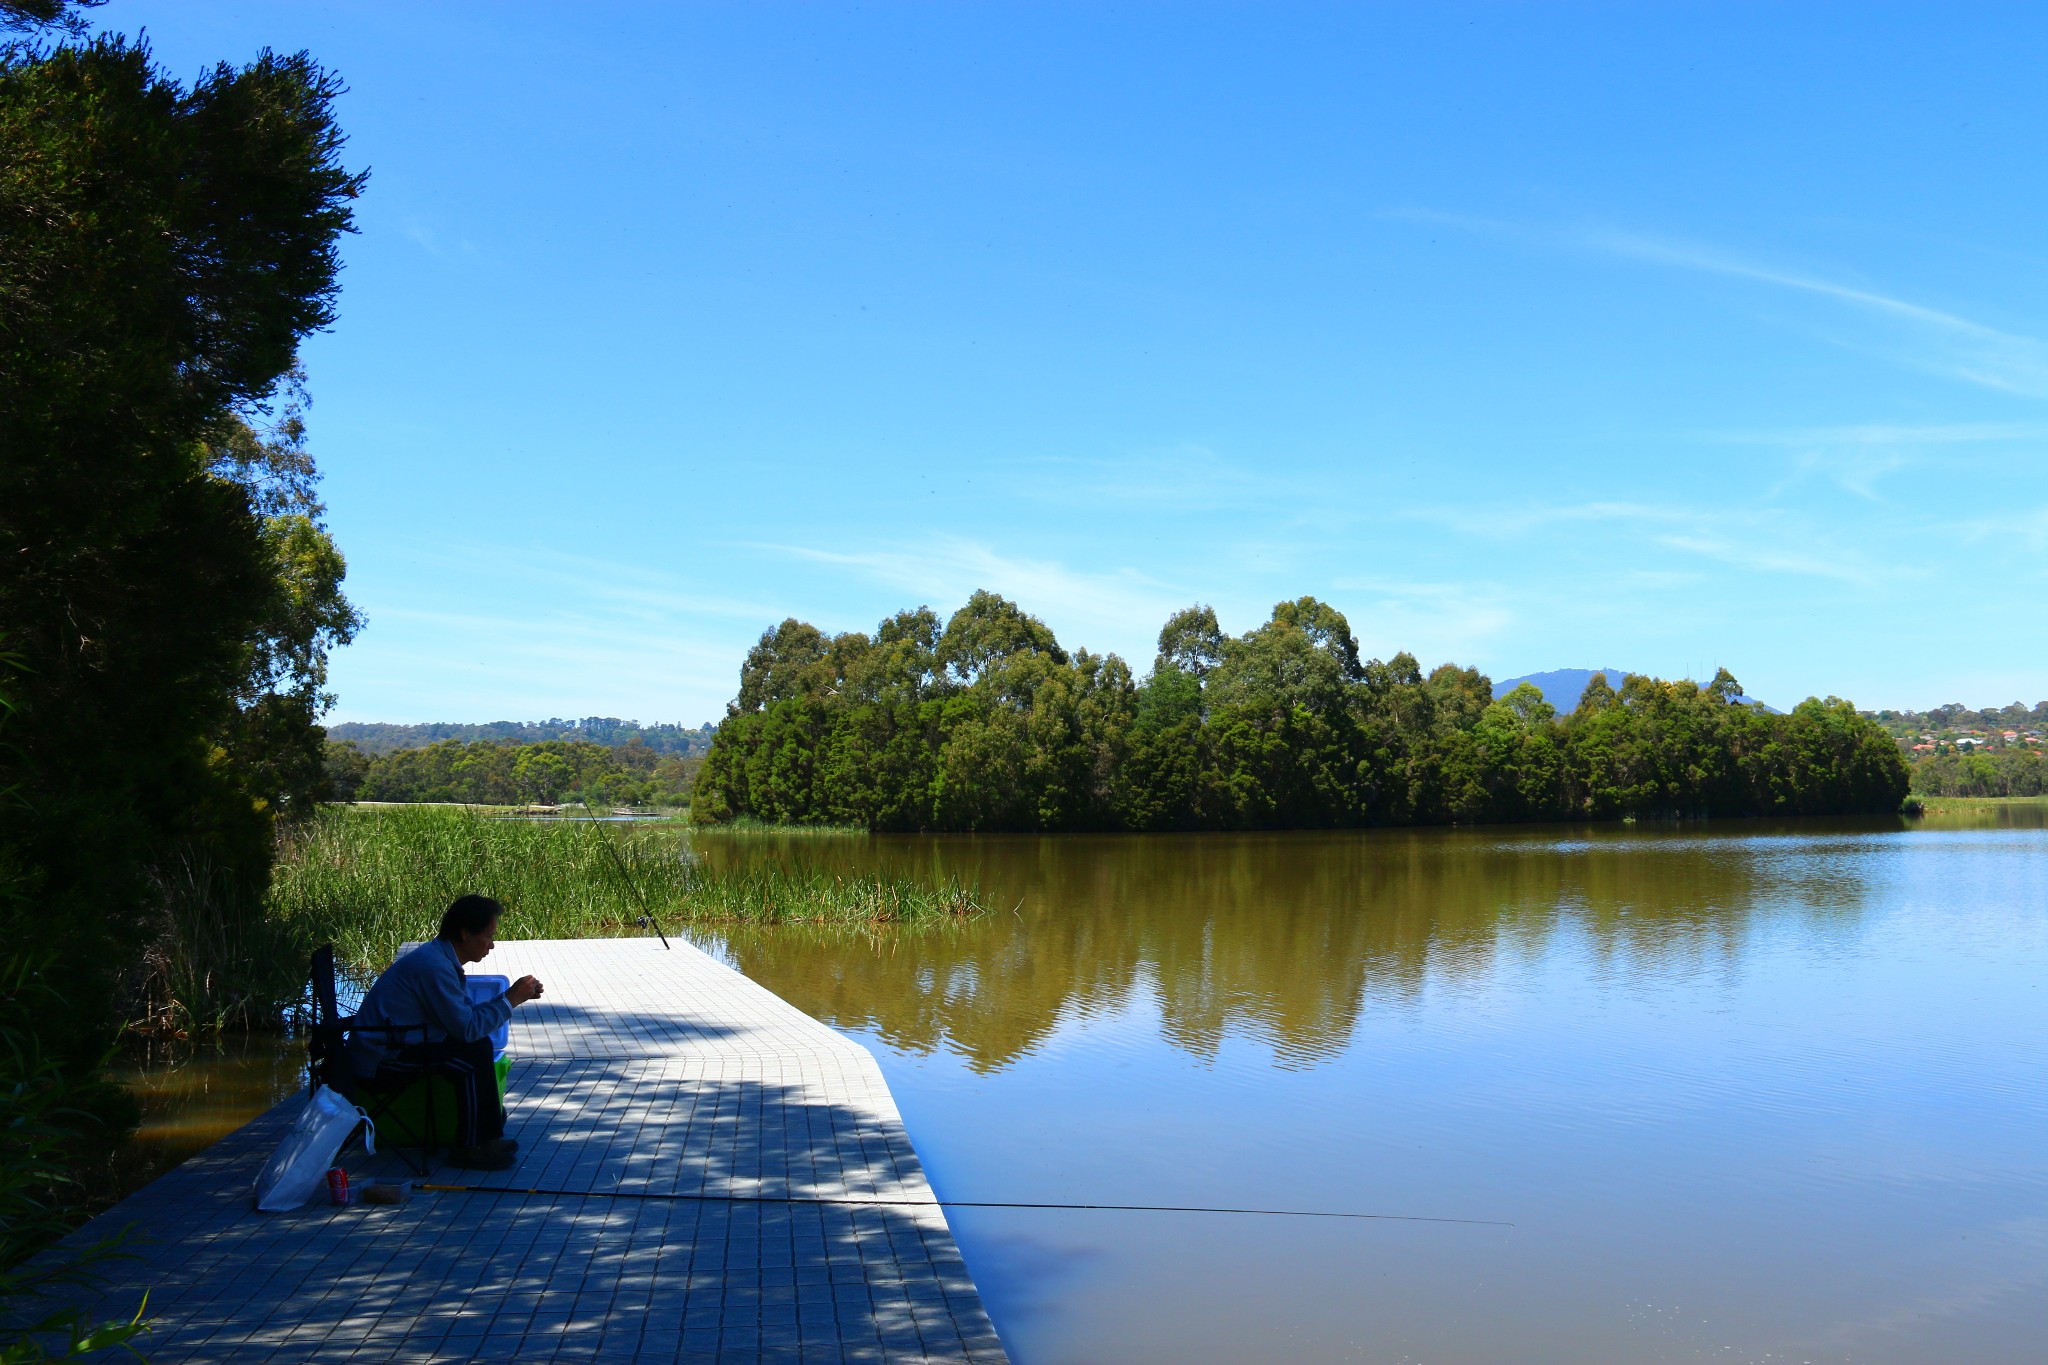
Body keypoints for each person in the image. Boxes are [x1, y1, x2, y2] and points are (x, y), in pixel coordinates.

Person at [347, 894, 544, 1171]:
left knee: (478, 1046)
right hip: (380, 1061)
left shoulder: (440, 959)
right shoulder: (434, 967)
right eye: (488, 936)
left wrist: (509, 997)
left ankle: (488, 1137)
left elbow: (466, 1018)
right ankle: (470, 1146)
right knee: (470, 1056)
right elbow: (467, 1029)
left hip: (404, 1045)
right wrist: (510, 1000)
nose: (492, 944)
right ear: (464, 933)